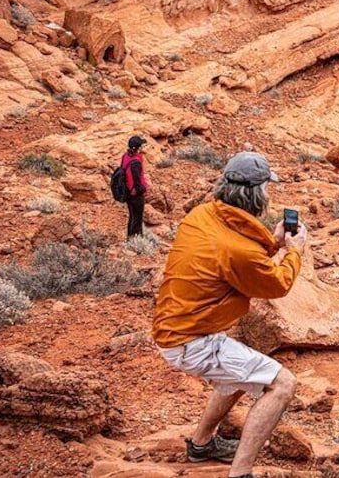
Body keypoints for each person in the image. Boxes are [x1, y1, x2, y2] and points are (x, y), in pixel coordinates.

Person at [152, 151, 308, 478]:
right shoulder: (239, 250)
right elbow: (276, 283)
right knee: (281, 384)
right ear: (258, 194)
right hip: (191, 342)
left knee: (243, 370)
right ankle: (241, 473)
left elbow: (234, 255)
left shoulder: (202, 215)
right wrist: (294, 252)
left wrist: (273, 243)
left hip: (175, 327)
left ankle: (201, 444)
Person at [122, 135, 149, 239]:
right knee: (137, 219)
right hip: (135, 194)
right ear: (137, 148)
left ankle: (130, 239)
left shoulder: (125, 156)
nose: (143, 147)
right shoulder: (136, 162)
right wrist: (143, 190)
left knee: (132, 217)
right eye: (141, 145)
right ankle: (136, 241)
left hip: (128, 192)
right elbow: (137, 181)